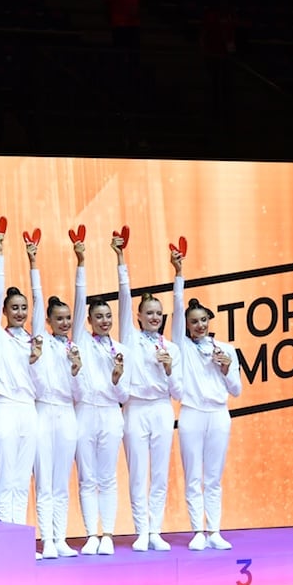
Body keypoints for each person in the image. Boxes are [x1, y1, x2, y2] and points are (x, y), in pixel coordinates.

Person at [170, 243, 242, 550]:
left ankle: (214, 530)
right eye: (193, 321)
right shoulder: (182, 347)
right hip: (191, 415)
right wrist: (179, 273)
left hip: (218, 414)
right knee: (193, 476)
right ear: (186, 324)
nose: (199, 325)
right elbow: (176, 306)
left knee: (213, 476)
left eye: (203, 320)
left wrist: (226, 369)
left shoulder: (225, 349)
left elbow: (237, 390)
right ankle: (197, 530)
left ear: (209, 321)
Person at [113, 228, 181, 551]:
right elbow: (124, 296)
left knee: (160, 473)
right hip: (136, 408)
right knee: (138, 472)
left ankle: (156, 529)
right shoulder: (130, 338)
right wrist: (120, 258)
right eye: (148, 313)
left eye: (158, 313)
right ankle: (142, 530)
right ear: (138, 317)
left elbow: (178, 388)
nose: (153, 317)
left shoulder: (171, 348)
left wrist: (168, 367)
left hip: (161, 408)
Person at [27, 235, 86, 557]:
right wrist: (33, 263)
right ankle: (46, 539)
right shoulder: (42, 341)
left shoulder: (74, 348)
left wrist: (76, 370)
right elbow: (37, 301)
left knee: (62, 481)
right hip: (43, 412)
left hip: (67, 414)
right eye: (58, 319)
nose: (65, 323)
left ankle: (60, 538)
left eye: (68, 319)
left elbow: (79, 392)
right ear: (48, 322)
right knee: (44, 480)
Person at [72, 232, 129, 555]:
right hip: (85, 411)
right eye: (99, 317)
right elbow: (80, 300)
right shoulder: (81, 340)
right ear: (89, 320)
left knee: (107, 476)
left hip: (110, 413)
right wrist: (82, 262)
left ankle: (107, 533)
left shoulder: (121, 349)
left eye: (108, 316)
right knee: (87, 477)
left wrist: (118, 377)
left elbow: (125, 393)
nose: (105, 320)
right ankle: (90, 534)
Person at [0, 219, 41, 534]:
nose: (19, 312)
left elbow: (42, 307)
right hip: (4, 407)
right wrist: (1, 253)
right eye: (13, 307)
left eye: (24, 308)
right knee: (5, 476)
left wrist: (34, 263)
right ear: (4, 311)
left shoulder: (33, 340)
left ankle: (19, 535)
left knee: (22, 478)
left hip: (28, 410)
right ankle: (7, 537)